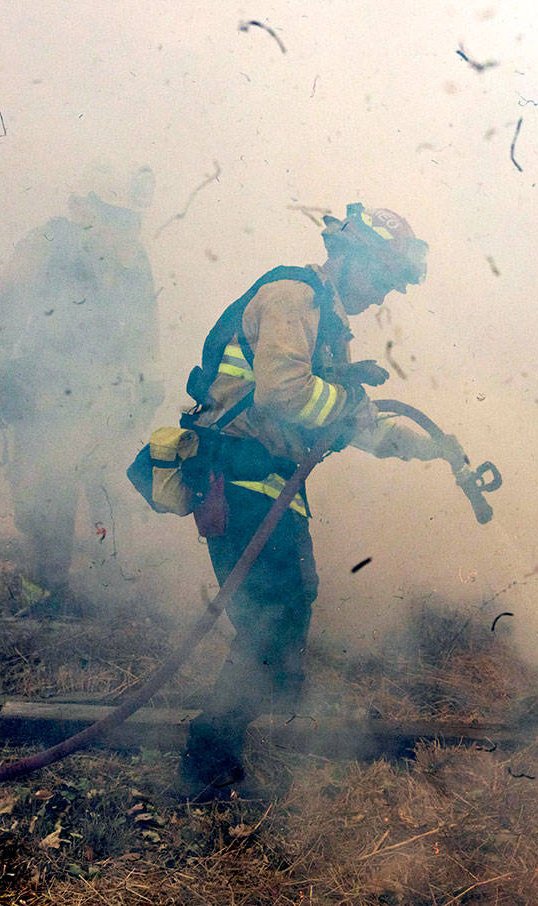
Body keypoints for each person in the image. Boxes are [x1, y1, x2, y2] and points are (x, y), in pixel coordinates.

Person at [177, 202, 464, 797]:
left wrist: (429, 448)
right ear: (351, 258)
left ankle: (264, 709)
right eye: (381, 279)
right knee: (269, 619)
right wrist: (346, 401)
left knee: (292, 603)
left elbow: (352, 424)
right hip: (241, 480)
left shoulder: (328, 324)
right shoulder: (292, 298)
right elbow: (286, 394)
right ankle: (205, 763)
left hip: (274, 485)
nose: (383, 295)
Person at [0, 163, 162, 614]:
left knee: (111, 496)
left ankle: (108, 593)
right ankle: (44, 597)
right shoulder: (47, 246)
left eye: (133, 220)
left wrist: (147, 391)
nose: (127, 230)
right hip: (42, 398)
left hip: (106, 403)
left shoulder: (134, 262)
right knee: (46, 499)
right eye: (118, 217)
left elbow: (145, 334)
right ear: (92, 210)